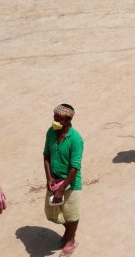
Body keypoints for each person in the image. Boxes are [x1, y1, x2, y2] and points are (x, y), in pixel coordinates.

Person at [44, 104, 83, 257]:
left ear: (69, 120)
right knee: (51, 214)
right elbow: (46, 155)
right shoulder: (51, 132)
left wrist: (62, 188)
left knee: (72, 214)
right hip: (54, 180)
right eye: (54, 117)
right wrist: (49, 177)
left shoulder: (75, 139)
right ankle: (69, 230)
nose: (55, 121)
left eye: (58, 119)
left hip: (71, 183)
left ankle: (71, 240)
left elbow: (74, 167)